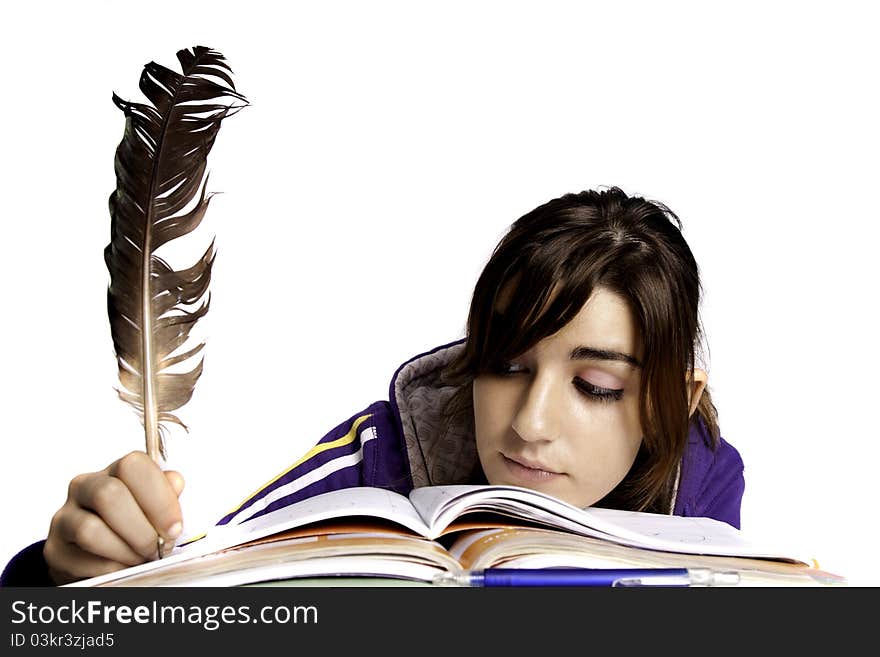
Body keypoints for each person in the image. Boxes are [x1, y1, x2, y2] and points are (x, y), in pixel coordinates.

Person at [0, 187, 744, 586]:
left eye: (594, 384)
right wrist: (58, 577)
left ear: (672, 403)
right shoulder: (373, 462)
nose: (530, 422)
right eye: (505, 365)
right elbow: (191, 584)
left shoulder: (703, 480)